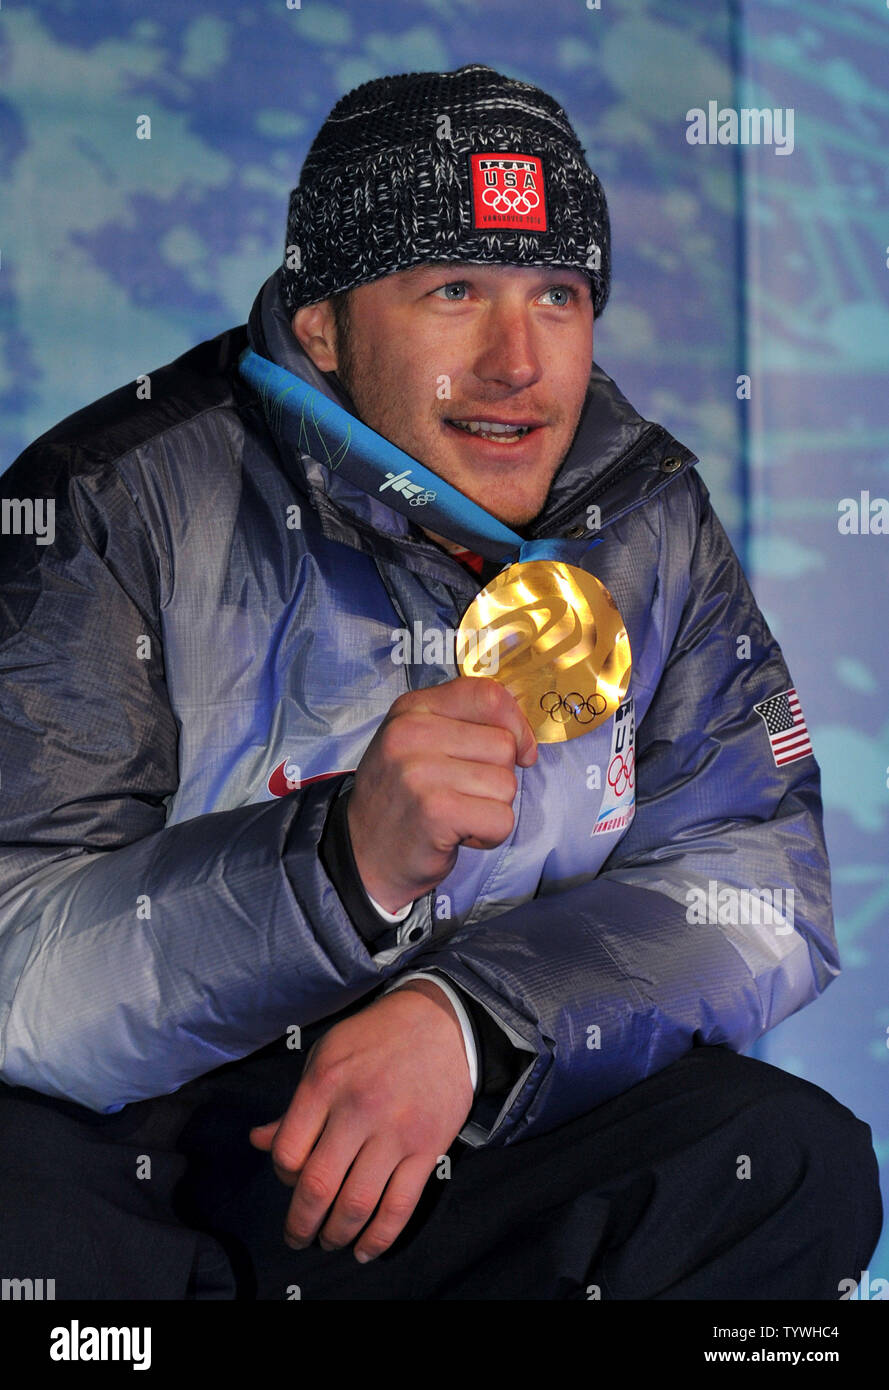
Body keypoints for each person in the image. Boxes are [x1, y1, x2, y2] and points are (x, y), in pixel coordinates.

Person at [0, 63, 881, 1302]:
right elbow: (15, 957)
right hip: (159, 1140)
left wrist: (475, 1022)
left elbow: (754, 879)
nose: (518, 362)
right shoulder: (113, 496)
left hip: (453, 1130)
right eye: (455, 289)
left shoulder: (648, 515)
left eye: (558, 297)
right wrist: (331, 869)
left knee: (787, 1161)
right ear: (324, 322)